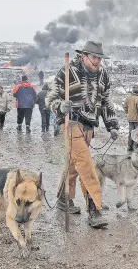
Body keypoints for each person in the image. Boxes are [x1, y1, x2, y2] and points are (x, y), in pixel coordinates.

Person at [46, 41, 120, 228]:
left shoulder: (103, 75)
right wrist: (60, 106)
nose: (97, 61)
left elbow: (106, 101)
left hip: (89, 125)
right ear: (84, 56)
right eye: (94, 57)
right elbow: (51, 98)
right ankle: (94, 209)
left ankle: (63, 198)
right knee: (86, 163)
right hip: (70, 122)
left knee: (74, 163)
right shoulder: (67, 72)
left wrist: (112, 123)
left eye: (100, 58)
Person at [124, 85, 138, 151]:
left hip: (130, 118)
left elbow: (125, 107)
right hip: (137, 119)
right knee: (137, 133)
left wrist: (128, 113)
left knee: (130, 132)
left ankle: (129, 146)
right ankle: (136, 146)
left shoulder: (128, 98)